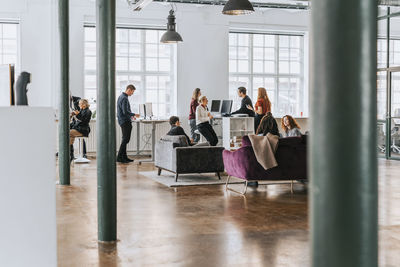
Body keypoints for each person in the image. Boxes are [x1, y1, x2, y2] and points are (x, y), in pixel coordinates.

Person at [117, 84, 140, 163]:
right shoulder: (124, 98)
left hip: (122, 120)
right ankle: (119, 157)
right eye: (132, 92)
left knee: (125, 139)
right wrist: (134, 114)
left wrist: (131, 116)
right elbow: (125, 111)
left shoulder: (121, 97)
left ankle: (124, 157)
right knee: (125, 139)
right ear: (129, 89)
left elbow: (124, 112)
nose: (132, 94)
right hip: (125, 121)